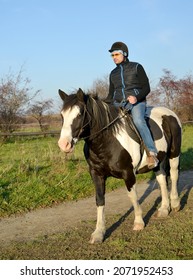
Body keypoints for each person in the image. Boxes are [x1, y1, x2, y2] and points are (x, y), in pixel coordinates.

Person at [105, 41, 158, 169]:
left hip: (137, 102)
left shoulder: (136, 67)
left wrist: (136, 97)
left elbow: (146, 88)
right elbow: (111, 94)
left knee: (139, 121)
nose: (114, 57)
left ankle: (152, 152)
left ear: (124, 54)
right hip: (119, 104)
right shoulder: (113, 74)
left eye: (116, 54)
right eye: (112, 55)